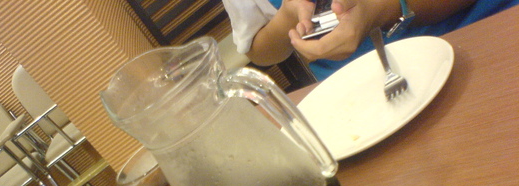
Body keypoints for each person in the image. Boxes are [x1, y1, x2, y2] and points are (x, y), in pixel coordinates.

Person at [222, 0, 519, 80]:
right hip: (363, 87)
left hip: (480, 36)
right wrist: (287, 17)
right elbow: (258, 50)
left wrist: (380, 9)